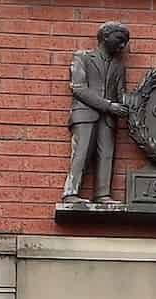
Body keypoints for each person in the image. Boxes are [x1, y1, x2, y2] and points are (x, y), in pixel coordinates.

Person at [61, 21, 130, 204]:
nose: (123, 45)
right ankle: (70, 193)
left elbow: (120, 93)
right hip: (85, 114)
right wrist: (109, 105)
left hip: (108, 119)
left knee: (106, 155)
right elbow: (79, 88)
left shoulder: (119, 67)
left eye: (125, 42)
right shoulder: (82, 57)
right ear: (105, 36)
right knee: (81, 152)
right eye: (120, 39)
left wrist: (130, 103)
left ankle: (102, 194)